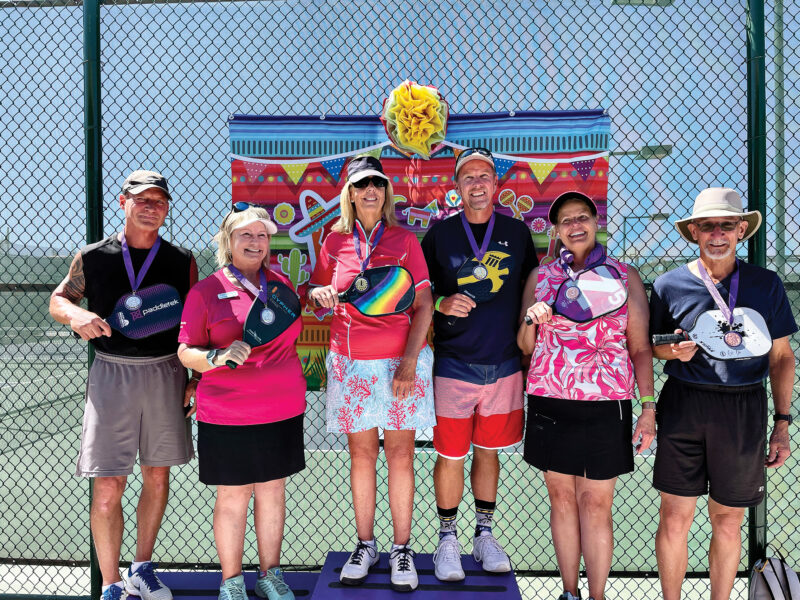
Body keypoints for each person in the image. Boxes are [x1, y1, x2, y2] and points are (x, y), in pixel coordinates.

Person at [49, 170, 196, 600]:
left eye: (159, 201)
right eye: (142, 199)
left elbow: (194, 322)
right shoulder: (92, 256)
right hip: (112, 373)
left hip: (167, 373)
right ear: (123, 201)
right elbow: (59, 299)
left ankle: (142, 568)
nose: (151, 207)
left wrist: (196, 378)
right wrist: (75, 314)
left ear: (166, 209)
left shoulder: (181, 259)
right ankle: (111, 583)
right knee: (108, 485)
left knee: (157, 476)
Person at [649, 188, 796, 600]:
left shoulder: (765, 284)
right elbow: (653, 348)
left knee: (728, 522)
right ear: (694, 231)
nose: (717, 234)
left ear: (741, 230)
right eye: (708, 225)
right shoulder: (668, 284)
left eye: (727, 225)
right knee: (675, 517)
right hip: (684, 404)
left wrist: (782, 424)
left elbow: (782, 357)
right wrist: (672, 351)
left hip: (743, 408)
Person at [517, 191, 655, 600]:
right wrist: (531, 318)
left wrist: (648, 407)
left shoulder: (624, 276)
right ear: (556, 231)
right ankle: (569, 592)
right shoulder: (541, 277)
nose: (575, 226)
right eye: (566, 220)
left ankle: (597, 595)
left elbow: (640, 347)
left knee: (596, 504)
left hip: (606, 405)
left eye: (582, 217)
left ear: (596, 222)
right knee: (561, 499)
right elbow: (524, 346)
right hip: (550, 401)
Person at [308, 155, 434, 593]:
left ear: (386, 192)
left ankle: (402, 549)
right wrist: (319, 294)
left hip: (400, 362)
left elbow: (424, 305)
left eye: (377, 184)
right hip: (350, 363)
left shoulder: (405, 239)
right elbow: (315, 293)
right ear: (350, 193)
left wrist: (409, 363)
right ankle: (366, 544)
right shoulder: (332, 241)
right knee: (361, 455)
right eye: (362, 184)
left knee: (400, 455)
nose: (370, 191)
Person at [421, 147, 538, 582]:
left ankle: (484, 534)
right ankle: (447, 538)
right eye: (468, 176)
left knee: (488, 451)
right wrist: (440, 302)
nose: (476, 183)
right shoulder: (439, 235)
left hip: (504, 363)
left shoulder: (517, 232)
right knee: (451, 455)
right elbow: (417, 292)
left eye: (484, 175)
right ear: (457, 186)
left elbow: (532, 285)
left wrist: (528, 341)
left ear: (496, 184)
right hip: (453, 363)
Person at [177, 205, 305, 600]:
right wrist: (217, 357)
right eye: (246, 235)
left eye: (262, 235)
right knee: (234, 495)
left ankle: (270, 576)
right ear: (228, 241)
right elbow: (186, 351)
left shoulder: (281, 284)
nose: (255, 242)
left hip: (282, 407)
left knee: (272, 492)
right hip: (227, 413)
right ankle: (231, 582)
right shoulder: (205, 291)